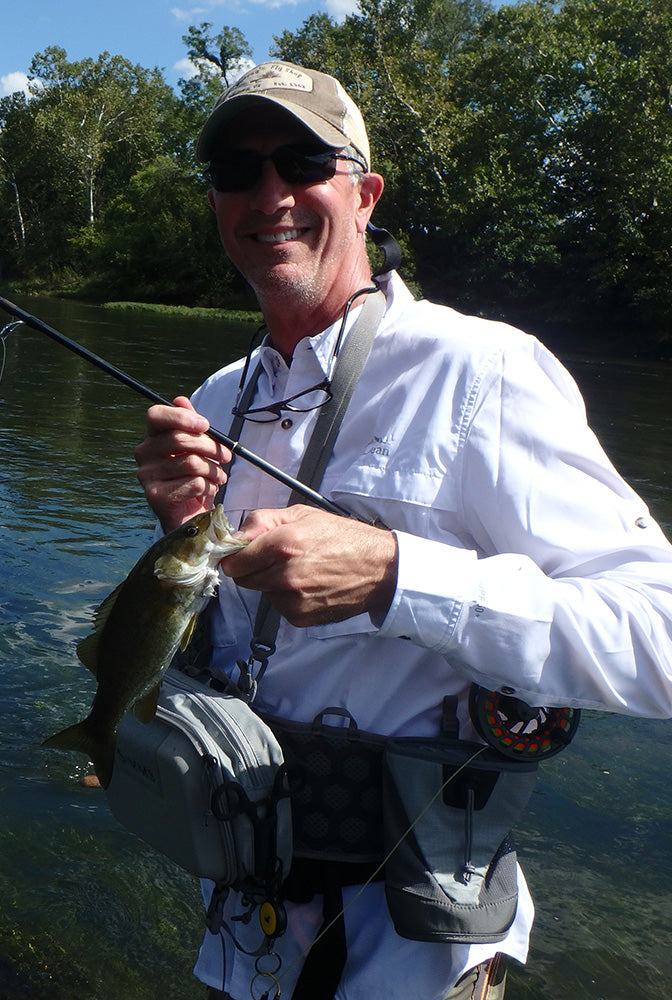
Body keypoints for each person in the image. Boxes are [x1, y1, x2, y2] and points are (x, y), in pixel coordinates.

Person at [133, 61, 672, 1000]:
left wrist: (394, 573)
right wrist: (183, 536)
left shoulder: (484, 369)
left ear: (365, 193)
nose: (270, 194)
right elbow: (215, 659)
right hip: (245, 929)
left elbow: (658, 633)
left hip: (416, 956)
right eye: (236, 170)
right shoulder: (224, 394)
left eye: (302, 161)